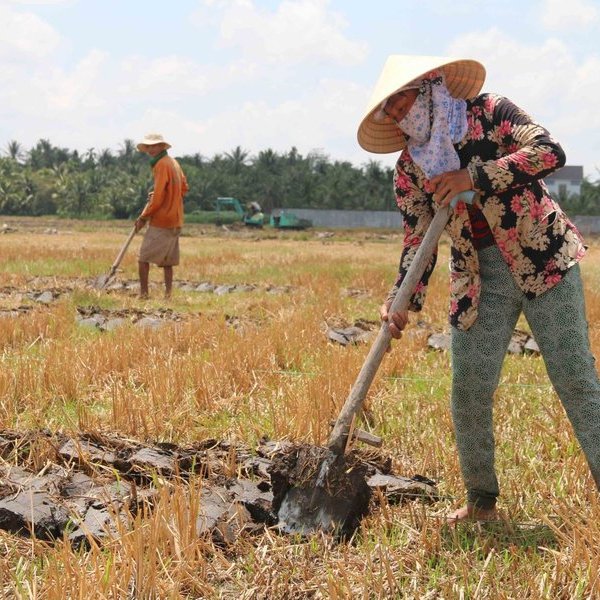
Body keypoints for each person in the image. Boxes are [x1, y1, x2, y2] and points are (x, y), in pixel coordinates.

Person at [357, 55, 600, 523]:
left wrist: (473, 177)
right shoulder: (411, 168)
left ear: (429, 86)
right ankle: (481, 501)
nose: (395, 113)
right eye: (387, 110)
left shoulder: (490, 113)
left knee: (575, 379)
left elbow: (549, 152)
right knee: (468, 387)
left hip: (542, 257)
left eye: (399, 100)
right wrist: (401, 298)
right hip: (478, 277)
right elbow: (417, 239)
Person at [135, 133, 188, 299]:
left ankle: (144, 294)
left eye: (154, 146)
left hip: (163, 221)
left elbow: (157, 199)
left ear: (162, 147)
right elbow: (184, 188)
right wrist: (166, 193)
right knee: (167, 261)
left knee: (143, 258)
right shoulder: (173, 162)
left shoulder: (161, 165)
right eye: (148, 147)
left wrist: (143, 217)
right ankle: (168, 295)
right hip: (176, 219)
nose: (151, 149)